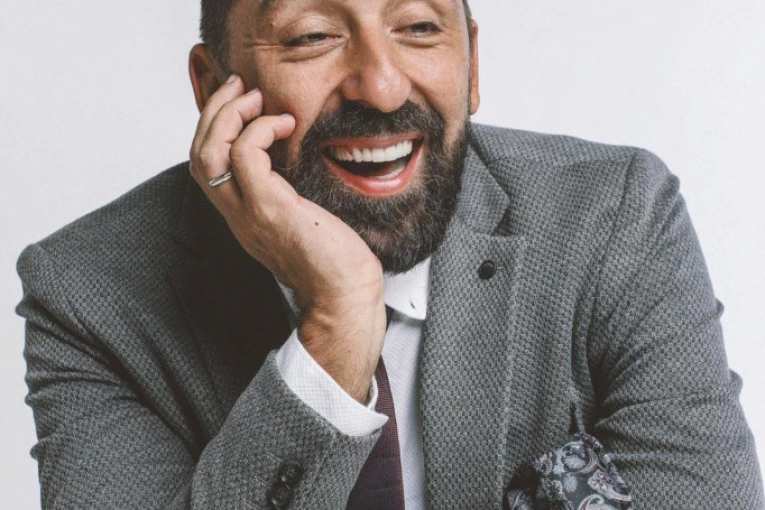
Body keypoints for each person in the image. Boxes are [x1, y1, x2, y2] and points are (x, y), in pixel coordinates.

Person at [16, 0, 764, 508]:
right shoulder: (89, 294)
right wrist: (338, 320)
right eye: (312, 35)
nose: (379, 85)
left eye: (418, 26)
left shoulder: (614, 217)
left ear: (472, 63)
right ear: (214, 86)